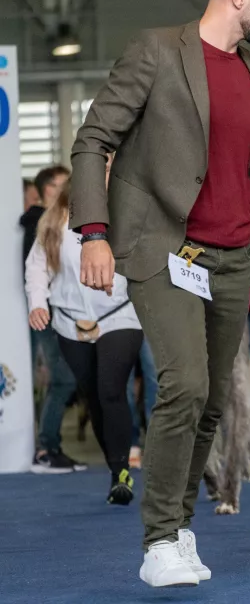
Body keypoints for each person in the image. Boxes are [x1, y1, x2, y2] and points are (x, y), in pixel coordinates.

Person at [69, 0, 250, 587]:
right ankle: (157, 543)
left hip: (232, 259)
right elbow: (93, 141)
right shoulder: (156, 51)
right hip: (167, 250)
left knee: (211, 404)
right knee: (186, 384)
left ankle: (178, 529)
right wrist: (93, 233)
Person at [25, 168, 144, 504]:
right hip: (69, 321)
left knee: (111, 389)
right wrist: (37, 303)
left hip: (120, 314)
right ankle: (116, 468)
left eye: (109, 170)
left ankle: (122, 473)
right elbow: (37, 267)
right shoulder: (54, 220)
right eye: (99, 170)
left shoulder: (127, 211)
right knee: (93, 397)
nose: (105, 177)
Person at [20, 165, 81, 474]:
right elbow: (35, 271)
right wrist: (39, 304)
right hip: (50, 315)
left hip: (62, 313)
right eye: (62, 183)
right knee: (63, 380)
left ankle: (50, 447)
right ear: (49, 189)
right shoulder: (42, 223)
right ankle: (46, 449)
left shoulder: (64, 220)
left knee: (66, 379)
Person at [127, 337, 157, 470]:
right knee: (124, 384)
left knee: (155, 382)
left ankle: (156, 443)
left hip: (152, 327)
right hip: (119, 326)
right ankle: (131, 443)